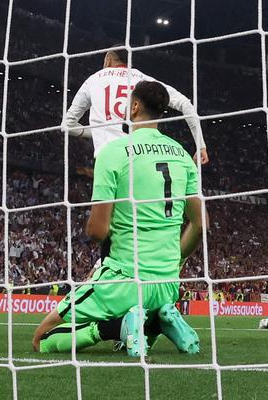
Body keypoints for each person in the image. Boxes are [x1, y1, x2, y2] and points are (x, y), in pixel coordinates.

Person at [31, 81, 205, 356]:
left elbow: (98, 230)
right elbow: (200, 225)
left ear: (135, 107)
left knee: (41, 340)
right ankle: (159, 320)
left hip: (123, 279)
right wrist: (173, 263)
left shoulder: (113, 152)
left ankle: (112, 328)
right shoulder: (183, 155)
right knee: (140, 317)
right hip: (167, 285)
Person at [64, 48, 208, 164]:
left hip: (108, 158)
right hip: (140, 157)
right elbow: (185, 104)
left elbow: (67, 125)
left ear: (107, 60)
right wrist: (200, 146)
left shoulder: (94, 79)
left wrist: (100, 130)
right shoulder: (142, 79)